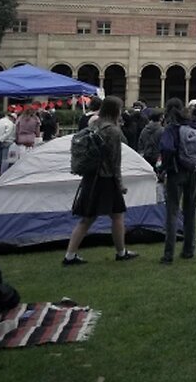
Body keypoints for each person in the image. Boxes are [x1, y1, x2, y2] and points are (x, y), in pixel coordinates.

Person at [62, 96, 141, 265]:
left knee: (89, 218)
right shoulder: (112, 130)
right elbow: (115, 160)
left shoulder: (94, 124)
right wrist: (120, 184)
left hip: (91, 176)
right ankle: (120, 252)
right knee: (115, 216)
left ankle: (70, 255)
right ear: (115, 111)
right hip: (106, 178)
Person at [158, 98, 196, 264]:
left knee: (172, 212)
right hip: (193, 171)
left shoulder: (171, 129)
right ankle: (188, 250)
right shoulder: (194, 126)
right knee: (190, 211)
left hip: (176, 173)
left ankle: (168, 255)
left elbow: (166, 148)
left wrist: (166, 166)